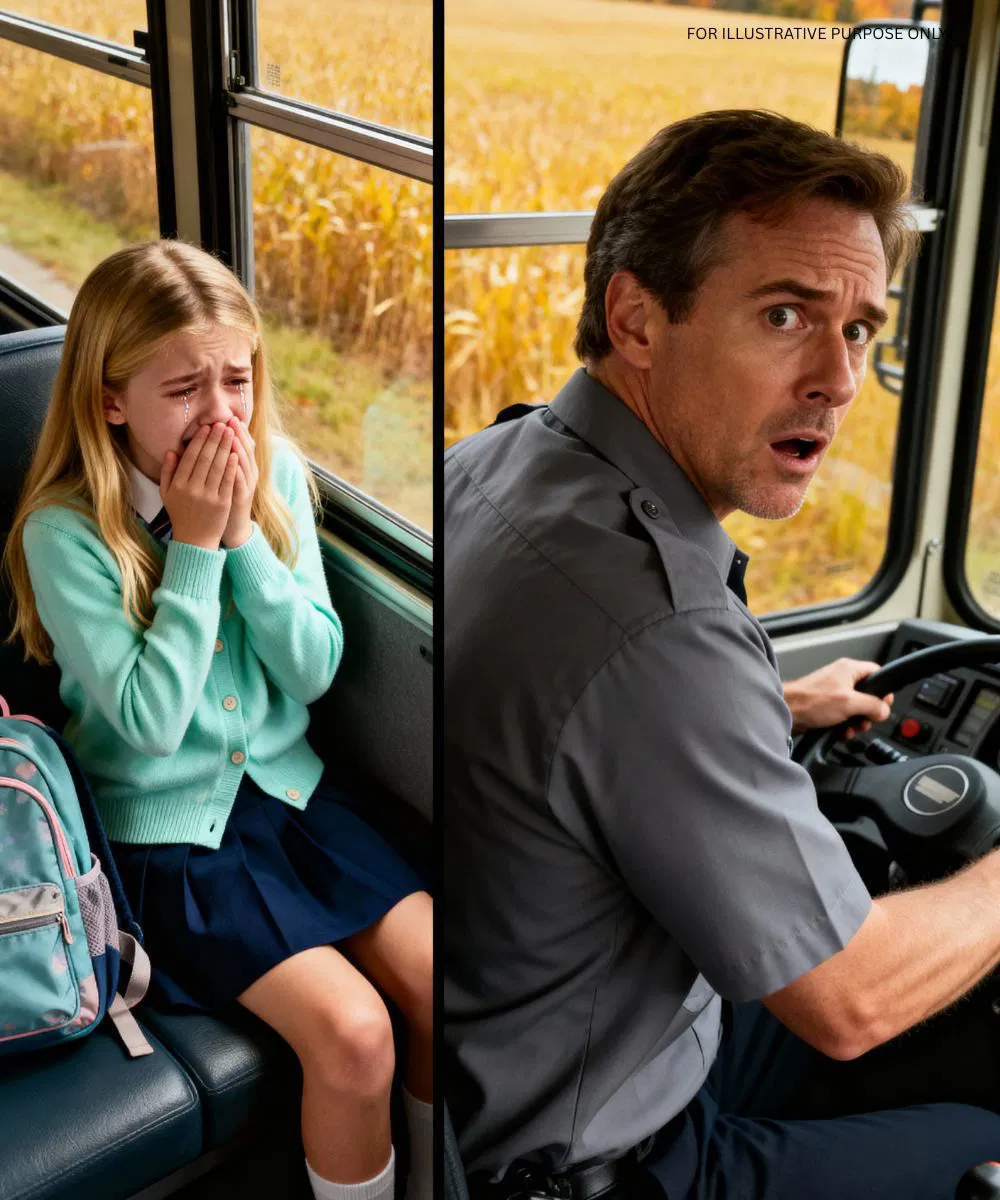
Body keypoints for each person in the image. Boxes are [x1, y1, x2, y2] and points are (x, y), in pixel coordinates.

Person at [444, 110, 1000, 1200]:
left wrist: (776, 704)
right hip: (603, 1159)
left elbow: (582, 718)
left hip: (551, 1044)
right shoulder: (654, 625)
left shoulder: (498, 461)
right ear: (637, 319)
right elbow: (848, 1003)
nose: (837, 382)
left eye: (859, 331)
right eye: (785, 315)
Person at [2, 240, 433, 1200]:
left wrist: (244, 535)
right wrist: (197, 549)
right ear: (113, 400)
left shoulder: (272, 476)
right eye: (185, 389)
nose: (222, 413)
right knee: (356, 1035)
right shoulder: (67, 531)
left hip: (296, 798)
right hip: (172, 842)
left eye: (236, 380)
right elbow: (151, 725)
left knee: (450, 983)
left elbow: (315, 669)